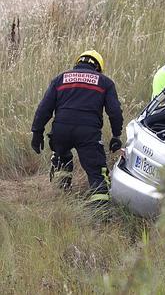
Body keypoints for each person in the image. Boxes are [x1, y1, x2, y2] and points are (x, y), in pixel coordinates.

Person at [31, 50, 123, 204]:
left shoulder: (60, 79)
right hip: (88, 132)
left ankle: (62, 197)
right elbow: (114, 112)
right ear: (98, 67)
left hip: (61, 130)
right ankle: (100, 213)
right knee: (96, 172)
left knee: (61, 158)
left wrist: (37, 132)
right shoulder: (105, 82)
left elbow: (44, 108)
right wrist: (116, 136)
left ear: (77, 63)